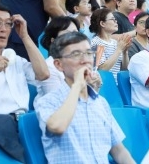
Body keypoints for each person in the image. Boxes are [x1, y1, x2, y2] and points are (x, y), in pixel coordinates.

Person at [34, 32, 135, 163]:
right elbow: (58, 127)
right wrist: (77, 86)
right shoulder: (48, 101)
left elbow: (119, 152)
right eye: (76, 54)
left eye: (88, 53)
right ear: (59, 65)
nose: (85, 60)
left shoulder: (100, 102)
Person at [0, 2, 49, 115]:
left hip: (22, 123)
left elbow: (43, 74)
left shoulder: (15, 59)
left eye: (8, 24)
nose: (3, 29)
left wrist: (24, 36)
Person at [35, 16, 100, 104]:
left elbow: (89, 104)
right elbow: (57, 103)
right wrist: (81, 86)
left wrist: (93, 87)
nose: (74, 38)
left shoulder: (85, 62)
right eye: (68, 34)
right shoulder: (49, 67)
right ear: (53, 41)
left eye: (76, 33)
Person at [90, 8, 132, 82]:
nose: (116, 22)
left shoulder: (115, 42)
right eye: (113, 19)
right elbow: (102, 69)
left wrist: (125, 52)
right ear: (102, 23)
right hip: (105, 85)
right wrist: (119, 50)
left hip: (118, 84)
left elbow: (125, 68)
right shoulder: (95, 43)